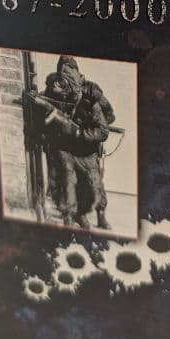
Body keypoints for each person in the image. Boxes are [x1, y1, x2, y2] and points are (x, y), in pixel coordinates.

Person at [35, 55, 115, 230]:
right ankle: (70, 217)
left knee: (94, 183)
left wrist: (81, 132)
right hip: (64, 145)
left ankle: (100, 214)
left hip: (86, 147)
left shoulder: (91, 95)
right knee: (68, 179)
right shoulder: (54, 89)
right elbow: (43, 106)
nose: (60, 88)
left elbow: (105, 126)